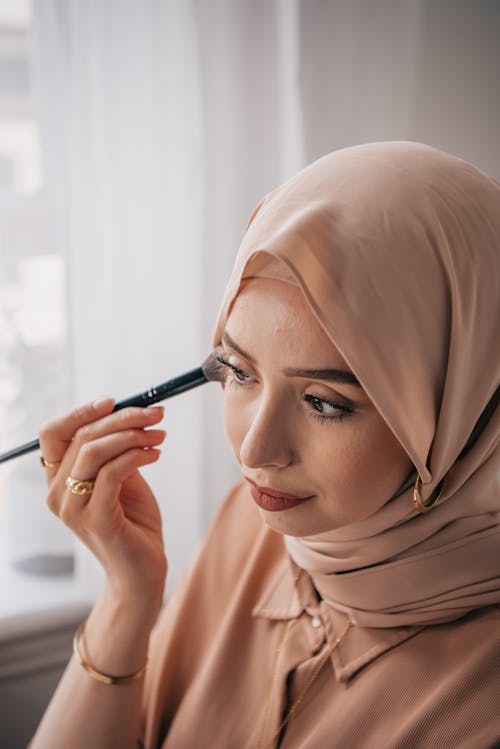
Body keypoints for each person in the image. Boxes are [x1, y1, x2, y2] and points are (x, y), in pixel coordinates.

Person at [30, 142, 499, 748]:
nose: (254, 451)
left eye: (325, 403)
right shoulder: (253, 531)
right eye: (239, 372)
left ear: (463, 409)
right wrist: (127, 596)